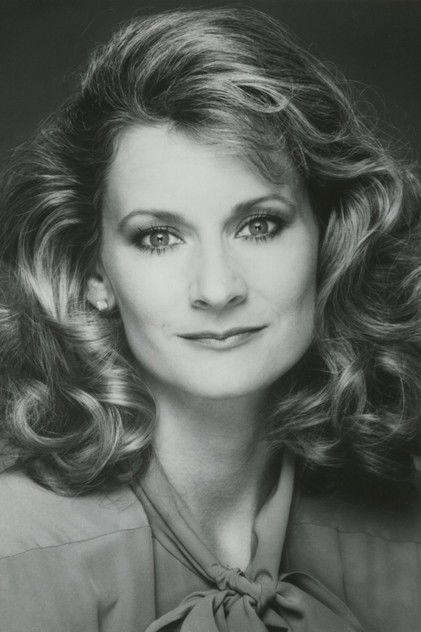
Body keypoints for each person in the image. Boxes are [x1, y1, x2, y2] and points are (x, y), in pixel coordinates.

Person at [0, 6, 420, 632]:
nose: (218, 289)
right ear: (95, 274)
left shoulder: (404, 536)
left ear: (329, 239)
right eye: (158, 237)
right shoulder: (16, 557)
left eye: (260, 225)